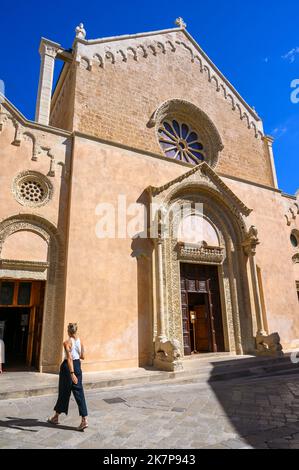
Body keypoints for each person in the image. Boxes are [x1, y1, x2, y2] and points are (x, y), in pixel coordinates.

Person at [48, 323, 88, 431]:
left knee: (64, 392)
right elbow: (83, 356)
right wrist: (76, 356)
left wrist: (72, 373)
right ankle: (84, 419)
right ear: (76, 331)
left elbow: (69, 358)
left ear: (68, 331)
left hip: (68, 368)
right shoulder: (80, 341)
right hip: (78, 365)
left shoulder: (67, 343)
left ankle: (56, 417)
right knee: (79, 393)